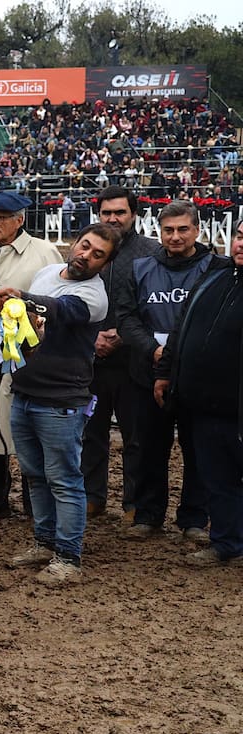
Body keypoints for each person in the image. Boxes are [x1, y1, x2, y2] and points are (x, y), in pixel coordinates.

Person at [2, 223, 120, 585]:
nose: (86, 255)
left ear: (105, 264)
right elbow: (35, 321)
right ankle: (45, 541)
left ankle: (69, 556)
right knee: (36, 476)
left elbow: (61, 310)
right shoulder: (48, 272)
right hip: (25, 390)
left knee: (65, 479)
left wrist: (20, 295)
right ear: (74, 243)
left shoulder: (93, 296)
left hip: (61, 400)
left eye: (98, 254)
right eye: (85, 246)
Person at [114, 199, 220, 542]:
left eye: (182, 230)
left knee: (198, 448)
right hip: (147, 371)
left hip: (199, 374)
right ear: (159, 232)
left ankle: (193, 518)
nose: (175, 237)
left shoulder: (216, 268)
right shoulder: (140, 267)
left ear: (197, 230)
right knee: (149, 446)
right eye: (168, 230)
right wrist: (154, 349)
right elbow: (127, 319)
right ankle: (148, 514)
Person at [0, 191, 62, 521]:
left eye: (0, 218)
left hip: (28, 355)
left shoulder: (45, 253)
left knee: (29, 428)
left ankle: (35, 500)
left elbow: (56, 299)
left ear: (20, 220)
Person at [156, 220, 243, 566]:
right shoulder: (214, 277)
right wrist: (165, 374)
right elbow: (181, 327)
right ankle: (226, 543)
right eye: (239, 236)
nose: (241, 244)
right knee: (217, 477)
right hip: (205, 404)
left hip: (239, 406)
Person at [81, 186, 160, 522]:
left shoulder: (151, 252)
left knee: (135, 436)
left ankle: (133, 502)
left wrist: (124, 336)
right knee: (91, 433)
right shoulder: (88, 249)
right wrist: (91, 337)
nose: (112, 219)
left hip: (133, 361)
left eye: (120, 212)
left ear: (133, 214)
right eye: (106, 213)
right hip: (93, 360)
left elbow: (155, 306)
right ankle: (93, 497)